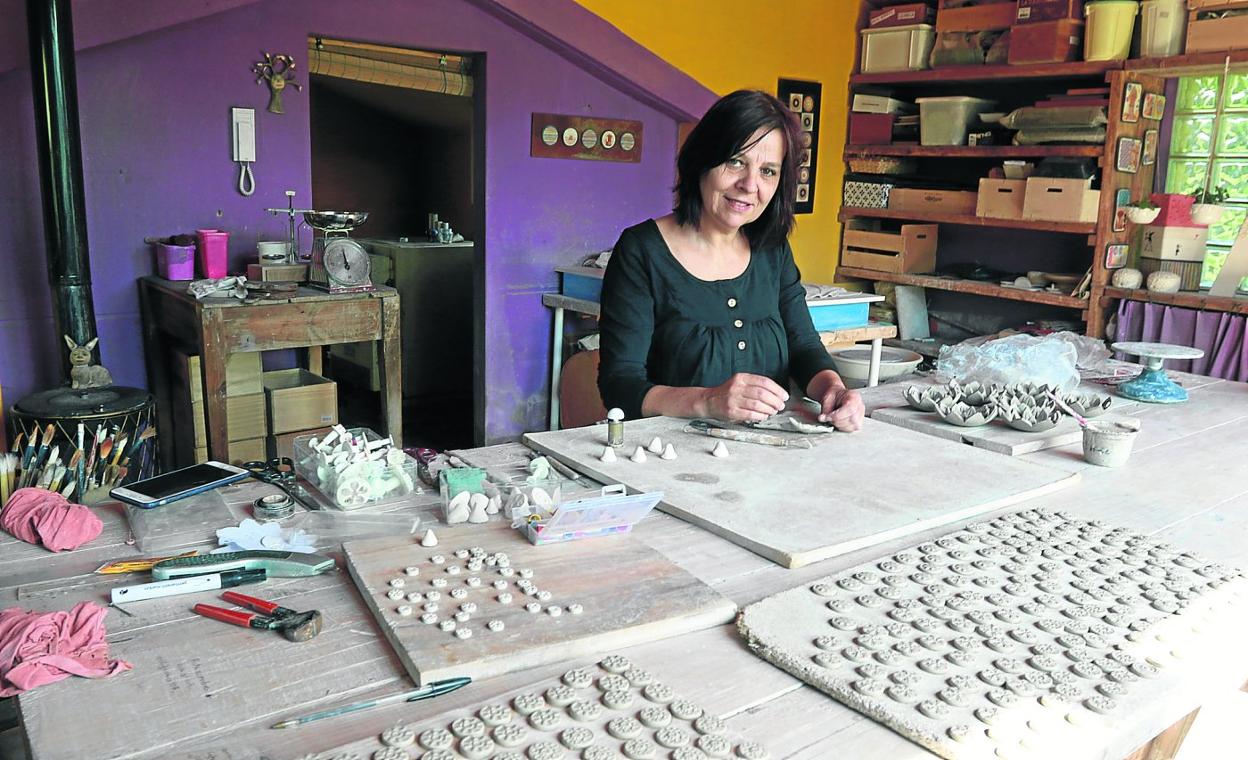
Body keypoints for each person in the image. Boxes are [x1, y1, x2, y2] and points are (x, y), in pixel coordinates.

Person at [598, 89, 864, 431]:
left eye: (768, 171)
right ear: (702, 161)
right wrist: (709, 401)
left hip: (766, 447)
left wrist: (834, 390)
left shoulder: (772, 249)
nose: (749, 185)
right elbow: (619, 385)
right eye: (735, 162)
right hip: (668, 451)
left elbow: (803, 347)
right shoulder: (642, 250)